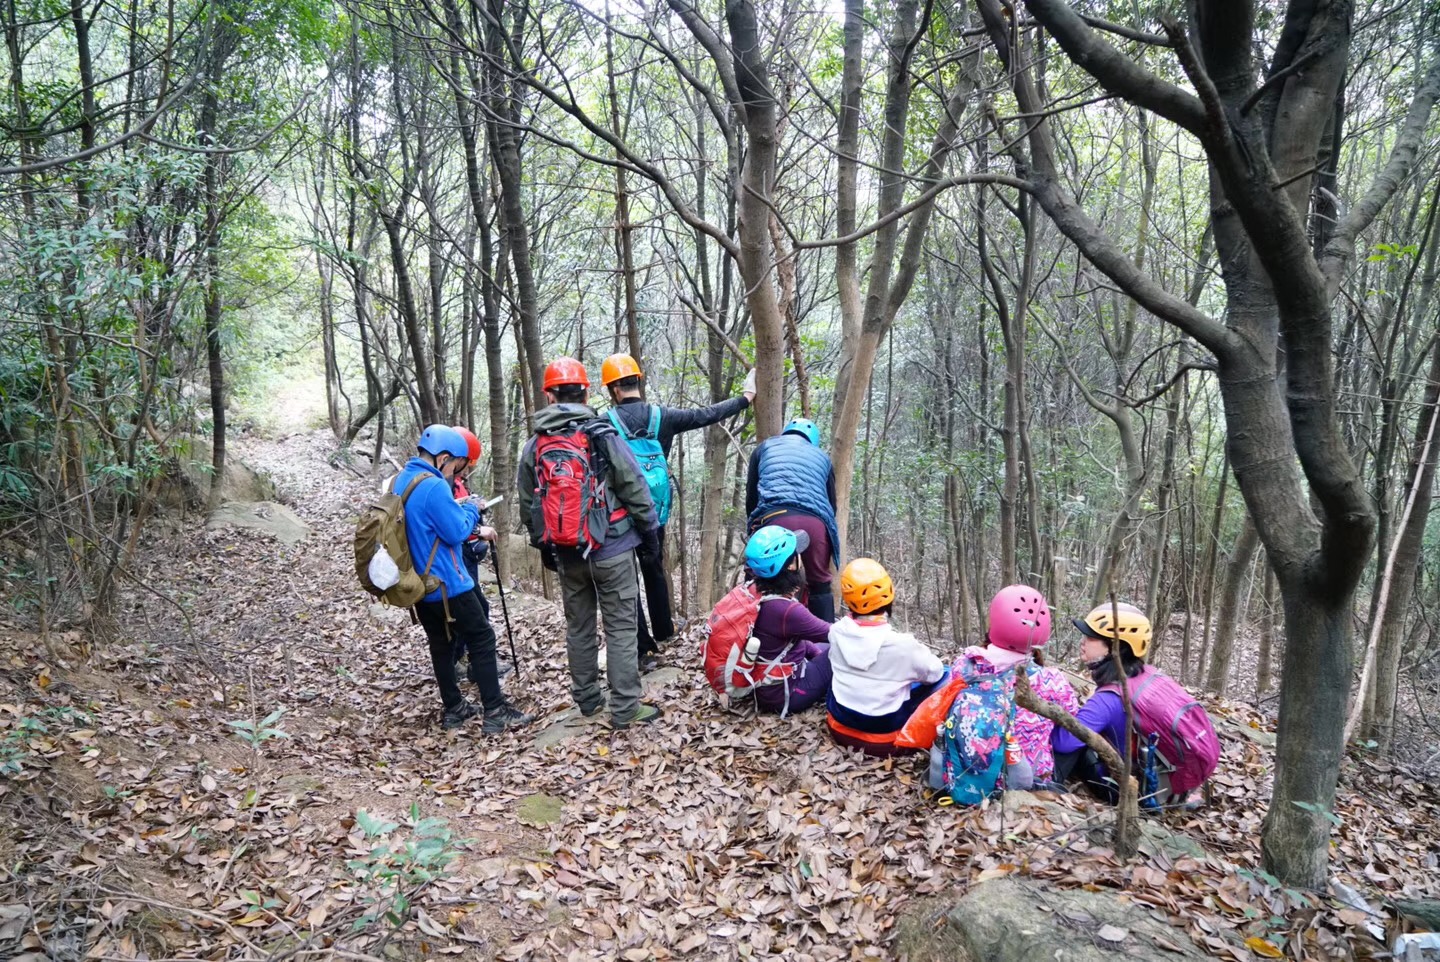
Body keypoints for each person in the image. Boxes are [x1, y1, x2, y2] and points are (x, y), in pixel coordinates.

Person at [516, 357, 663, 729]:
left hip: (566, 551)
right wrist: (648, 533)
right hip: (612, 547)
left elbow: (528, 503)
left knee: (579, 627)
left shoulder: (534, 445)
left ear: (550, 395)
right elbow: (633, 486)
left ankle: (587, 702)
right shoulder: (601, 433)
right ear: (585, 392)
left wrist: (545, 547)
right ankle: (626, 709)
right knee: (620, 626)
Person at [601, 353, 755, 671]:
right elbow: (706, 415)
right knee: (654, 567)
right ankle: (664, 631)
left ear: (613, 389)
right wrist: (744, 398)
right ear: (637, 382)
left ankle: (643, 644)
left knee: (627, 579)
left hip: (620, 512)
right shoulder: (663, 417)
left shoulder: (605, 423)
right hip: (654, 510)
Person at [391, 424, 533, 733]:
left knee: (441, 645)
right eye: (456, 466)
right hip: (449, 582)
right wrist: (470, 508)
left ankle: (454, 709)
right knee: (482, 638)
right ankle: (495, 710)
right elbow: (456, 531)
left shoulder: (401, 481)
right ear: (443, 457)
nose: (456, 474)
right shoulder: (434, 485)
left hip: (419, 584)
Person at [1051, 603, 1218, 807]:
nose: (1083, 642)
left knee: (1074, 747)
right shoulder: (1149, 674)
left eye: (1092, 637)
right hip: (1174, 782)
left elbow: (1062, 742)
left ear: (1115, 647)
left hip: (1138, 791)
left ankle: (1047, 786)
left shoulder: (1108, 698)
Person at [958, 585, 1079, 782]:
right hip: (1026, 779)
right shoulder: (1053, 681)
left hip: (969, 774)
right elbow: (1072, 719)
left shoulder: (966, 665)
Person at [826, 558, 946, 756]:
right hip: (884, 740)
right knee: (946, 677)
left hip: (838, 728)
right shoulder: (903, 646)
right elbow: (935, 673)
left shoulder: (836, 632)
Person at [746, 418, 841, 622]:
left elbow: (752, 496)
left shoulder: (765, 447)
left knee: (759, 575)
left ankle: (748, 633)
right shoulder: (823, 458)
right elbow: (831, 505)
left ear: (786, 432)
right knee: (820, 583)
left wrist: (754, 529)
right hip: (815, 522)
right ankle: (824, 642)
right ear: (812, 440)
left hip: (774, 517)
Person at [739, 526, 832, 715]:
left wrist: (814, 653)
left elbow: (794, 635)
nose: (800, 557)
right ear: (790, 565)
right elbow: (837, 634)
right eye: (796, 553)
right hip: (786, 694)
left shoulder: (753, 592)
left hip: (764, 684)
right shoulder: (788, 611)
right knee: (837, 650)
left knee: (820, 649)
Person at [449, 426, 513, 684]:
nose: (467, 471)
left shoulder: (455, 483)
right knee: (475, 611)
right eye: (466, 465)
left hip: (467, 555)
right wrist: (478, 529)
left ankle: (470, 661)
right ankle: (466, 662)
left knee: (476, 610)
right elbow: (452, 524)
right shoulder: (444, 485)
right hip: (459, 557)